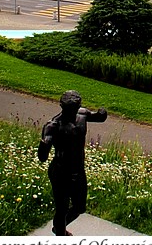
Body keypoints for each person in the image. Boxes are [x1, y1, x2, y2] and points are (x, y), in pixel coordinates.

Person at [38, 90, 107, 236]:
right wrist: (44, 144)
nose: (73, 112)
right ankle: (60, 233)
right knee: (62, 208)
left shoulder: (82, 114)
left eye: (75, 108)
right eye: (70, 109)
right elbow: (42, 157)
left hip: (78, 170)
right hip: (60, 172)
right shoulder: (53, 126)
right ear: (62, 106)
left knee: (79, 207)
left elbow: (99, 117)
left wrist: (102, 113)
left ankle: (58, 227)